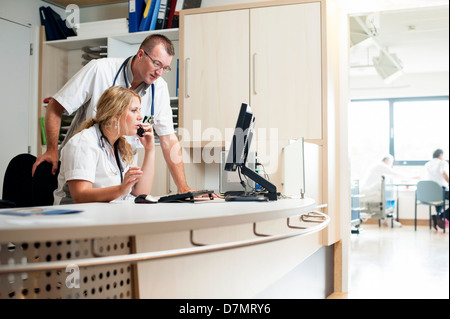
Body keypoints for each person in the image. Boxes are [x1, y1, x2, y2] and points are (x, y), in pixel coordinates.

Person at [33, 34, 192, 193]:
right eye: (157, 64)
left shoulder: (160, 87)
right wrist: (52, 149)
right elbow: (56, 105)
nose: (160, 72)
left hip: (120, 172)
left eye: (165, 68)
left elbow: (169, 139)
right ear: (141, 54)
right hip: (83, 167)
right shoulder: (100, 69)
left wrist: (183, 187)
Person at [54, 86, 154, 204]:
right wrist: (120, 189)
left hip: (109, 214)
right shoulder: (83, 143)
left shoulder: (119, 145)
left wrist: (150, 150)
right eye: (134, 110)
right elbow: (80, 196)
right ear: (115, 114)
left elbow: (139, 193)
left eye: (140, 110)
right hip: (79, 217)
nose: (140, 116)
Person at [360, 154, 408, 227]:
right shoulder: (380, 165)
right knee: (391, 197)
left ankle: (388, 221)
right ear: (386, 161)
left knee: (390, 196)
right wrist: (411, 177)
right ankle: (389, 221)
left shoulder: (376, 166)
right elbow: (394, 173)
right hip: (369, 191)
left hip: (370, 189)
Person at [424, 148, 449, 230]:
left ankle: (439, 216)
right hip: (440, 191)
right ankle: (441, 216)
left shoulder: (427, 164)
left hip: (428, 193)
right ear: (441, 155)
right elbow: (444, 173)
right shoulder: (442, 162)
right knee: (441, 195)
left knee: (438, 200)